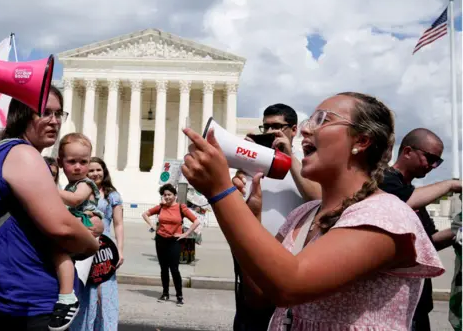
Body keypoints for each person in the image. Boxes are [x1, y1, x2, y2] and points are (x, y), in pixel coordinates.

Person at [181, 92, 445, 330]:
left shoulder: (387, 215)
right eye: (310, 120)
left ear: (362, 140)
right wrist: (249, 216)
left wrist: (221, 193)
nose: (306, 129)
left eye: (322, 120)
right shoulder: (303, 215)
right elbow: (260, 294)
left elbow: (290, 286)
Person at [0, 89, 103, 331]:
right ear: (22, 114)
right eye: (45, 112)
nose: (55, 121)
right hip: (24, 301)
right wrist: (92, 244)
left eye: (58, 113)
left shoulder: (0, 152)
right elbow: (62, 228)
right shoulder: (24, 155)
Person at [232, 103, 321, 330]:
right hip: (254, 260)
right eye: (266, 127)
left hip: (290, 262)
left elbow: (317, 197)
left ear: (294, 130)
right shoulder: (256, 164)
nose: (270, 132)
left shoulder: (306, 165)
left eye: (276, 127)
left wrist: (288, 157)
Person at [377, 128, 461, 330]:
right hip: (391, 305)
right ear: (407, 151)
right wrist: (451, 185)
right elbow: (403, 202)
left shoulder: (412, 193)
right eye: (430, 158)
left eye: (438, 162)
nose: (432, 166)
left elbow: (430, 241)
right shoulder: (383, 182)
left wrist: (457, 229)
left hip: (417, 306)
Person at [52, 132, 104, 330]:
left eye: (83, 162)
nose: (78, 167)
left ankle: (67, 296)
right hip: (77, 226)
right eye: (72, 161)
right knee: (60, 256)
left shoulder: (84, 184)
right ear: (60, 162)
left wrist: (48, 189)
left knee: (59, 253)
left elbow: (75, 201)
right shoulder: (70, 185)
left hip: (81, 226)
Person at [72, 157, 125, 331]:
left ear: (104, 171)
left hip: (105, 250)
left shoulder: (112, 195)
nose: (95, 173)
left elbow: (118, 223)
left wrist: (120, 250)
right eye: (91, 170)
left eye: (98, 170)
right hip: (84, 248)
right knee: (84, 291)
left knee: (104, 293)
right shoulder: (80, 191)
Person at [142, 184, 201, 306]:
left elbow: (196, 221)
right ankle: (165, 293)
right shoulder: (161, 207)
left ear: (175, 195)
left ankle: (179, 296)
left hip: (174, 241)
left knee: (174, 269)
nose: (167, 197)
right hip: (160, 240)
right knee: (163, 269)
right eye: (165, 195)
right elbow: (145, 214)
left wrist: (185, 234)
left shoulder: (181, 207)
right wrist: (153, 226)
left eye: (169, 195)